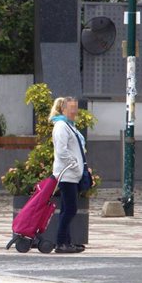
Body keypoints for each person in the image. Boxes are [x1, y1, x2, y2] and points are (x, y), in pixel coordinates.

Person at [50, 97, 86, 254]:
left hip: (72, 173)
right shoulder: (61, 126)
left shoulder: (70, 126)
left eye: (76, 107)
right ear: (63, 109)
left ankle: (67, 241)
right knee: (70, 209)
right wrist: (75, 163)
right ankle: (60, 242)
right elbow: (61, 150)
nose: (74, 111)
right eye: (71, 108)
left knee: (67, 208)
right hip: (66, 174)